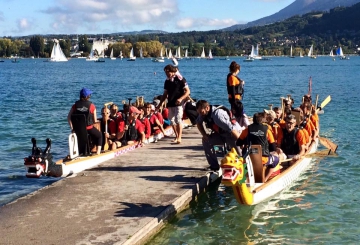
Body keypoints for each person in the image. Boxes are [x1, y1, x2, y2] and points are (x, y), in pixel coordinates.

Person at [236, 112, 285, 182]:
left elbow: (238, 143)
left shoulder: (246, 130)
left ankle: (247, 178)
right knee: (276, 160)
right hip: (263, 159)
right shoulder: (267, 130)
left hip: (248, 158)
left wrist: (245, 143)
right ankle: (265, 179)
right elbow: (273, 148)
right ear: (262, 120)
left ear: (253, 120)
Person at [196, 100, 242, 171]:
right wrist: (204, 134)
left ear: (207, 108)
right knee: (206, 141)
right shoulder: (203, 113)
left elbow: (232, 129)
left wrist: (241, 142)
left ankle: (243, 167)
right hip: (221, 134)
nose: (200, 114)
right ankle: (214, 166)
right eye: (199, 112)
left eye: (201, 112)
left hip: (233, 134)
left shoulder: (217, 116)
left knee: (239, 154)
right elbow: (198, 123)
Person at [157, 64, 190, 144]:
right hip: (170, 102)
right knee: (172, 121)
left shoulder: (180, 79)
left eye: (168, 72)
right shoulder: (167, 81)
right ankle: (176, 136)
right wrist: (160, 104)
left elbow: (188, 91)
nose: (167, 74)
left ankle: (179, 137)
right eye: (166, 72)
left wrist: (181, 98)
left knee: (178, 119)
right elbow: (165, 94)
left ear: (172, 71)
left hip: (179, 102)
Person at [67, 88, 102, 155]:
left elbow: (69, 117)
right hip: (89, 128)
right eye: (89, 95)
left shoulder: (75, 105)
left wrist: (72, 128)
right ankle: (98, 152)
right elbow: (95, 120)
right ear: (87, 96)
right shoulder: (92, 106)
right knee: (99, 135)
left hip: (78, 129)